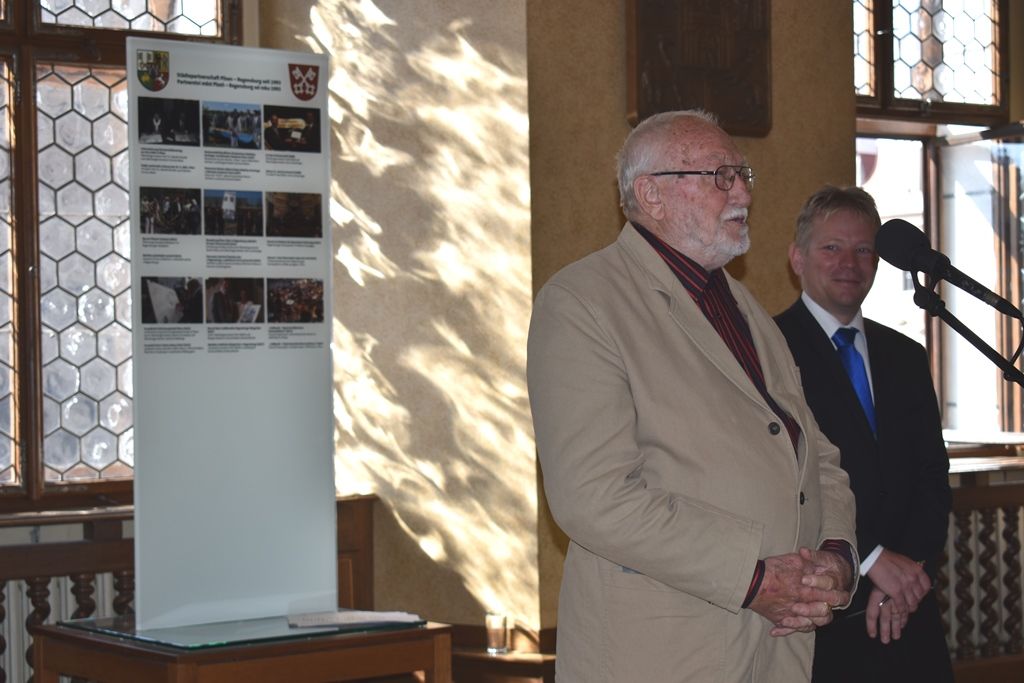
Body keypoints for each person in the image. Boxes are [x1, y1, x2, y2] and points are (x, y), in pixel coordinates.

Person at [527, 110, 858, 683]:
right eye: (720, 176)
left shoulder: (746, 307)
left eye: (743, 174)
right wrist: (755, 580)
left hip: (775, 648)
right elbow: (594, 496)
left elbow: (814, 454)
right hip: (662, 648)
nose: (744, 193)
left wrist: (836, 557)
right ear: (651, 195)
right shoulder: (583, 303)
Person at [774, 186, 953, 682]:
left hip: (910, 607)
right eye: (831, 248)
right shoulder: (768, 350)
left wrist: (905, 573)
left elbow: (931, 475)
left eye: (864, 250)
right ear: (797, 258)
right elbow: (784, 480)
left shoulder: (907, 355)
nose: (849, 263)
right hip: (822, 615)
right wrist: (871, 560)